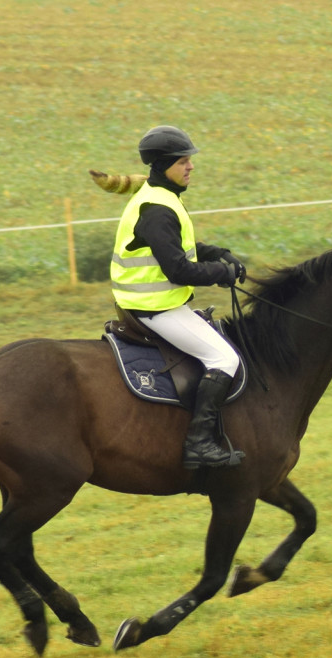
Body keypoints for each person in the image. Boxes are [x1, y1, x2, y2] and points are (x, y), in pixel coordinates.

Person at [110, 125, 247, 469]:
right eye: (184, 161)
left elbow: (179, 245)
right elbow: (179, 270)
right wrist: (222, 274)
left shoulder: (159, 197)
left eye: (190, 161)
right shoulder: (157, 208)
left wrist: (218, 253)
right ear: (164, 165)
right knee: (224, 360)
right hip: (155, 308)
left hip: (154, 303)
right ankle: (199, 443)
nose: (191, 167)